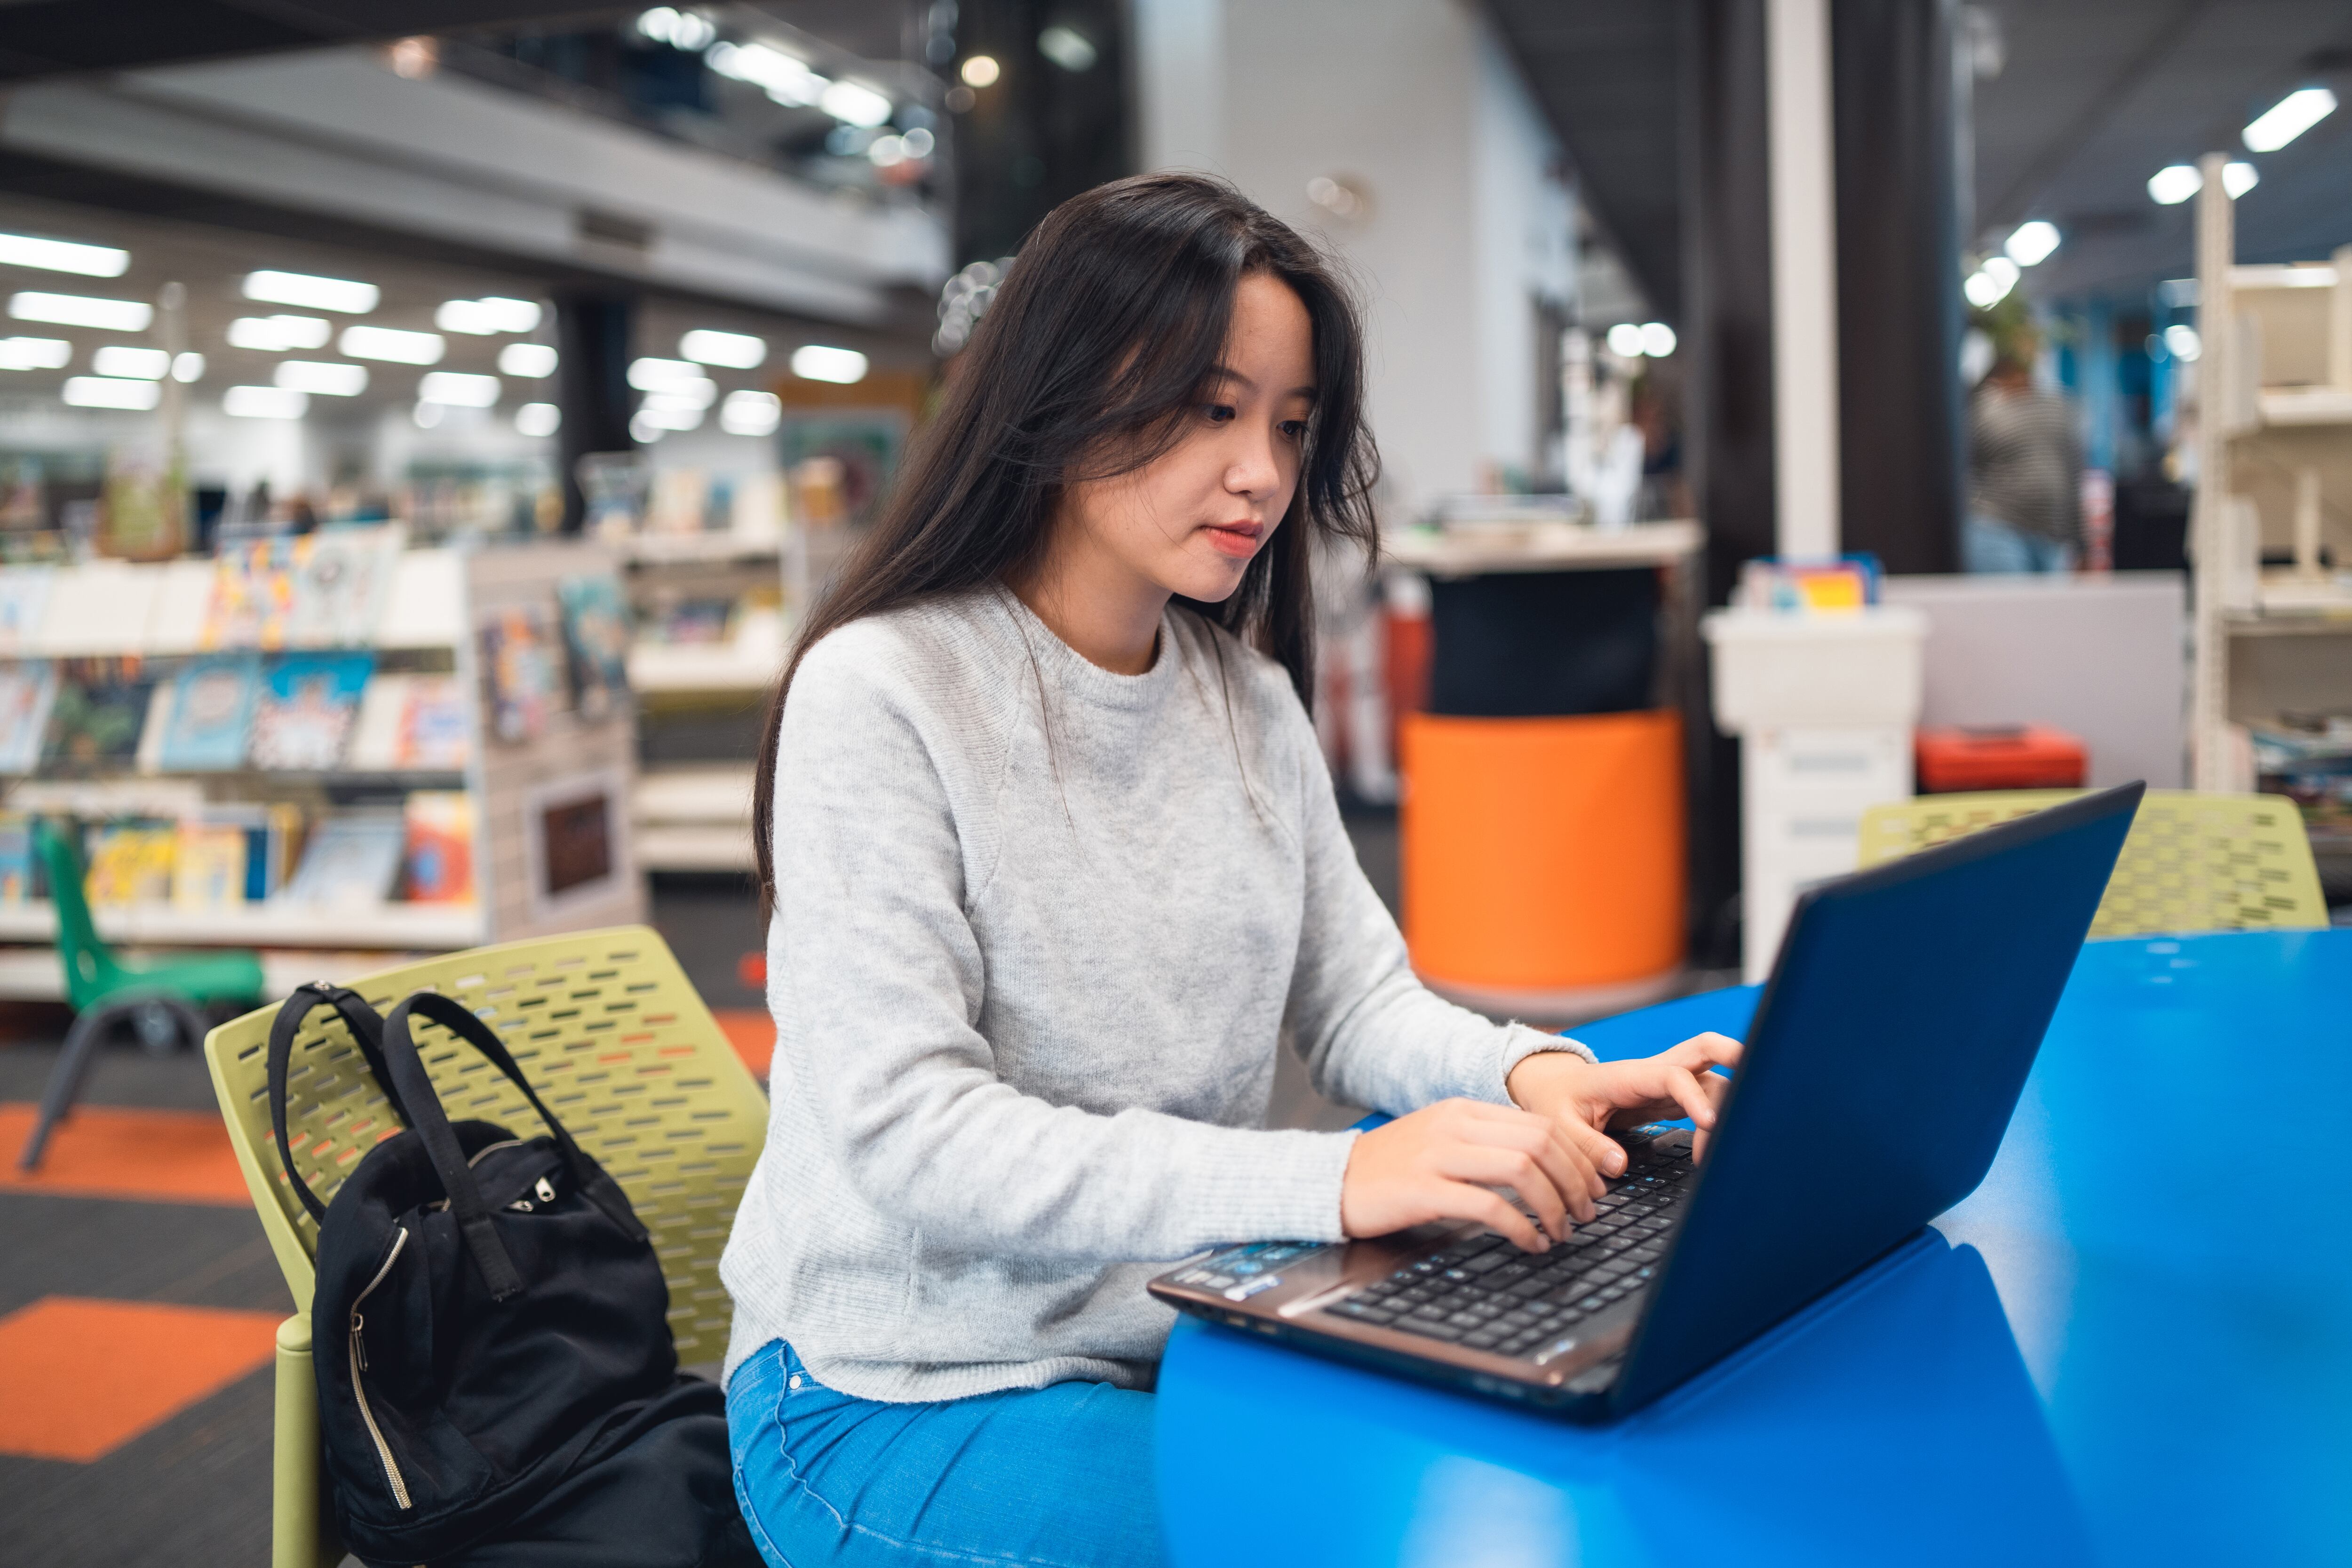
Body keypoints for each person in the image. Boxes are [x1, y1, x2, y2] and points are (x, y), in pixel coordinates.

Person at [718, 173, 1741, 1568]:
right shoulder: (883, 694)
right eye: (1210, 409)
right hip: (901, 1389)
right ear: (1061, 388)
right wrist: (1333, 1183)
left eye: (1290, 423)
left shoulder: (1240, 694)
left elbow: (1354, 1001)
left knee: (1534, 1461)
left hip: (1183, 1321)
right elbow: (913, 1137)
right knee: (1365, 1534)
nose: (1261, 471)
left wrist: (1538, 1075)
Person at [1964, 320, 2083, 573]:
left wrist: (2080, 540)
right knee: (2007, 611)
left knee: (2050, 613)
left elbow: (2073, 474)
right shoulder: (1983, 409)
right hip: (1998, 529)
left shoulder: (2059, 406)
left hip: (2052, 537)